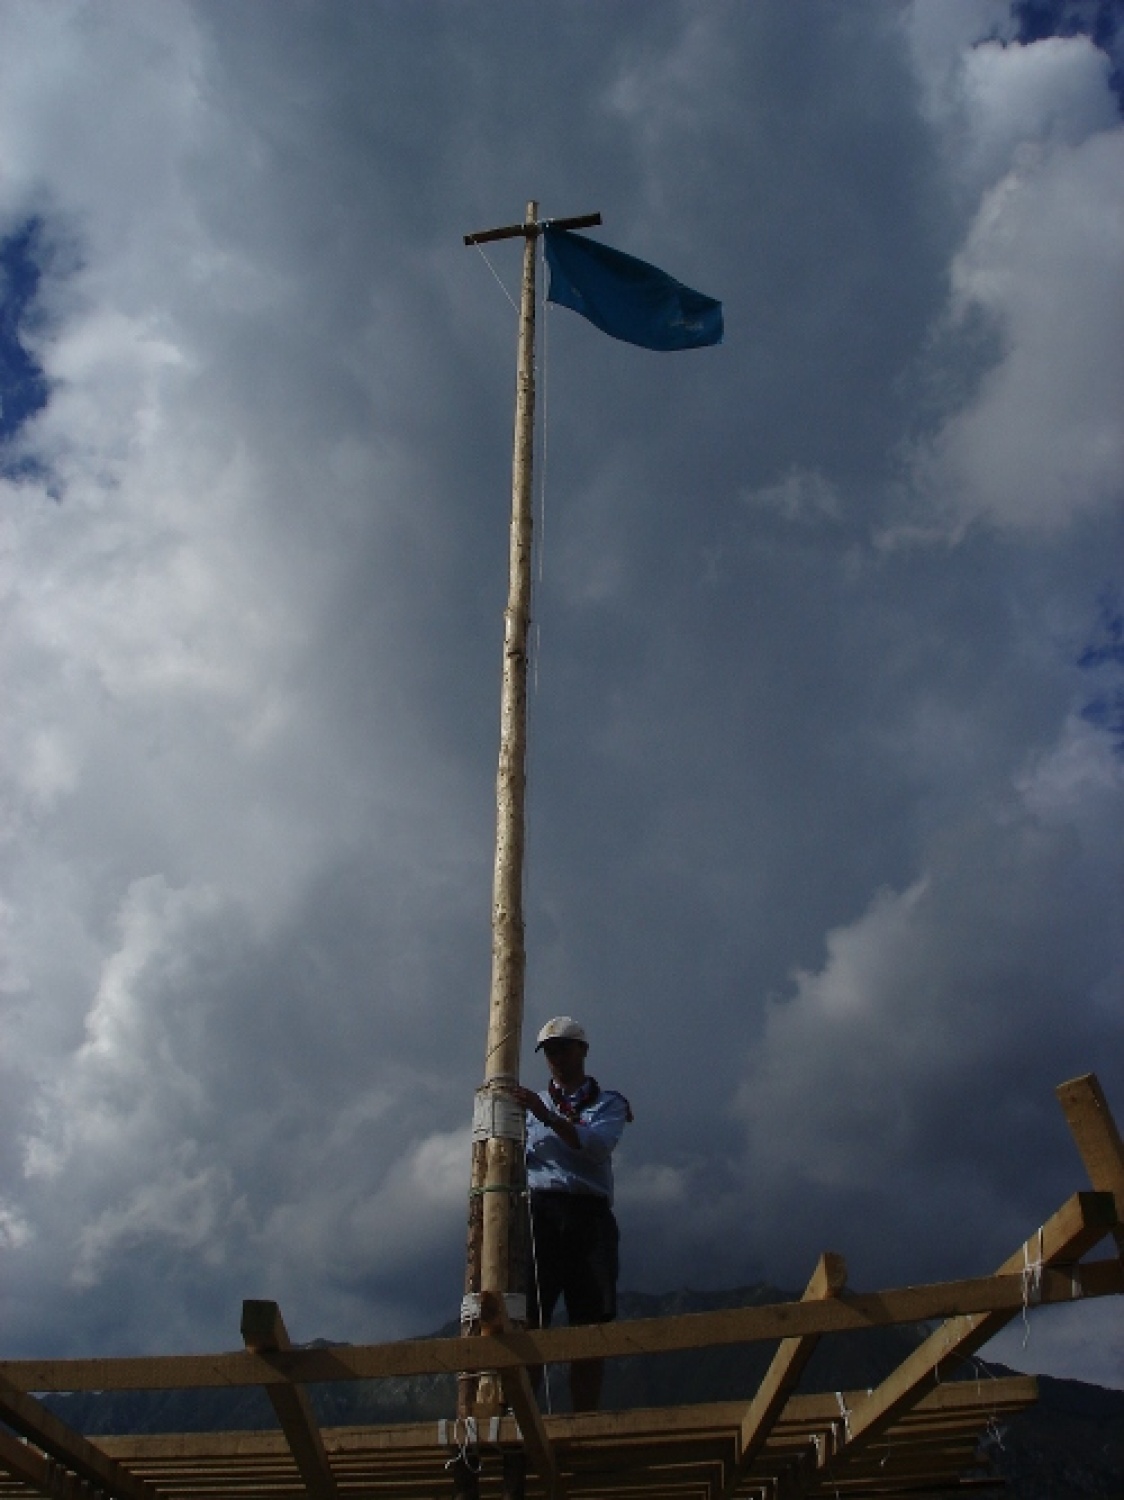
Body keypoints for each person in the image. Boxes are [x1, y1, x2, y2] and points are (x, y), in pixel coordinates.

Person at [511, 1016, 632, 1412]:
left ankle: (585, 1418)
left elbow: (597, 1146)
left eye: (563, 1048)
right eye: (549, 1051)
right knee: (530, 1317)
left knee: (590, 1321)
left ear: (582, 1050)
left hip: (589, 1214)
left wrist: (548, 1119)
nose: (557, 1057)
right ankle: (523, 1414)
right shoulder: (531, 1105)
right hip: (540, 1214)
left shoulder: (607, 1102)